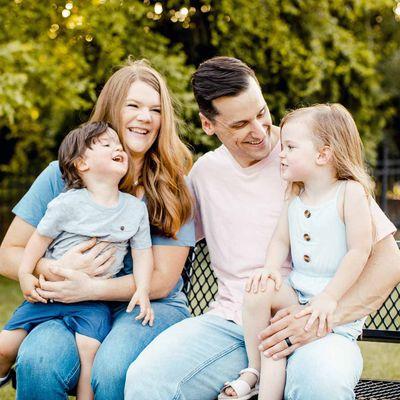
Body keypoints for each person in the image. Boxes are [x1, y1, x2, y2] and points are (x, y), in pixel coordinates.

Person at [124, 57, 400, 400]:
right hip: (232, 323)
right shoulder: (205, 174)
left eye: (261, 113)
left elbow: (388, 260)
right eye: (240, 124)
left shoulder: (310, 155)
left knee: (320, 386)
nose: (259, 131)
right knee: (145, 382)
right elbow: (157, 237)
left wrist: (318, 321)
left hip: (317, 326)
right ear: (208, 124)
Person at [0, 59, 195, 400]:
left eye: (155, 110)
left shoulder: (171, 186)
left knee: (112, 368)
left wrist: (90, 287)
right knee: (38, 360)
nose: (145, 117)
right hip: (70, 302)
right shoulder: (62, 176)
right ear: (112, 109)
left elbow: (162, 280)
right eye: (133, 106)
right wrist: (55, 269)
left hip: (147, 303)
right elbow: (8, 254)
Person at [220, 104, 374, 400]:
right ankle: (255, 371)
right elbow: (280, 240)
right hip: (297, 294)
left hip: (331, 303)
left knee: (277, 342)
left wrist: (330, 297)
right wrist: (270, 269)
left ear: (323, 154)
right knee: (258, 291)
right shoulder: (295, 194)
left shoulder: (349, 193)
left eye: (290, 147)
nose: (281, 154)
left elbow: (359, 251)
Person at [0, 121, 154, 399]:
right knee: (3, 347)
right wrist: (25, 274)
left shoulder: (134, 210)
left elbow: (143, 252)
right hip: (49, 294)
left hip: (92, 302)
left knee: (89, 352)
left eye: (118, 144)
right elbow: (38, 240)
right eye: (106, 144)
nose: (118, 148)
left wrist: (142, 288)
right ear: (82, 163)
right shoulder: (66, 203)